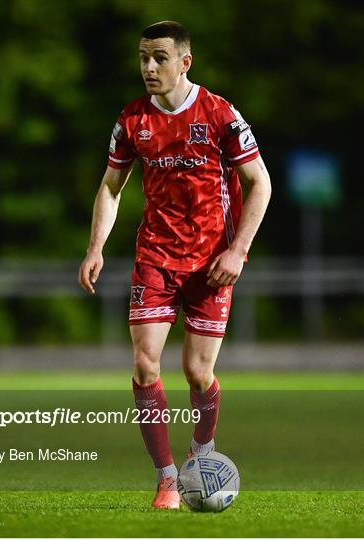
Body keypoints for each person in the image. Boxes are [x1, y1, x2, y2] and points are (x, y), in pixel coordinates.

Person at [78, 20, 271, 509]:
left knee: (197, 373)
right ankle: (166, 477)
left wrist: (238, 250)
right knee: (145, 366)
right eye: (143, 56)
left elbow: (259, 183)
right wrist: (95, 247)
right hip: (156, 258)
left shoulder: (219, 114)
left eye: (159, 57)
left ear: (185, 62)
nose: (148, 66)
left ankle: (201, 452)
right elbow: (110, 187)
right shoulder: (132, 120)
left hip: (211, 263)